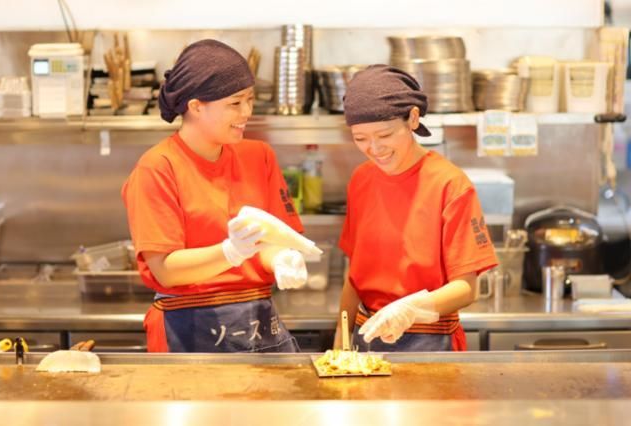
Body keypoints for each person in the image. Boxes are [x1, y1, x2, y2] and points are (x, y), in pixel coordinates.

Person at [122, 39, 307, 353]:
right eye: (235, 103)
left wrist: (280, 258)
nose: (247, 112)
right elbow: (165, 269)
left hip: (258, 320)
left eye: (250, 100)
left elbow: (271, 240)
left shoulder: (259, 156)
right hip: (187, 325)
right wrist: (230, 252)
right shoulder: (157, 168)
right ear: (196, 106)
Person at [334, 65, 498, 351]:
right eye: (360, 139)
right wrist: (342, 335)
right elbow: (355, 273)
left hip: (429, 340)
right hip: (367, 335)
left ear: (412, 118)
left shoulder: (450, 184)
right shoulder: (361, 179)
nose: (374, 148)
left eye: (385, 135)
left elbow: (466, 289)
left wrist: (411, 309)